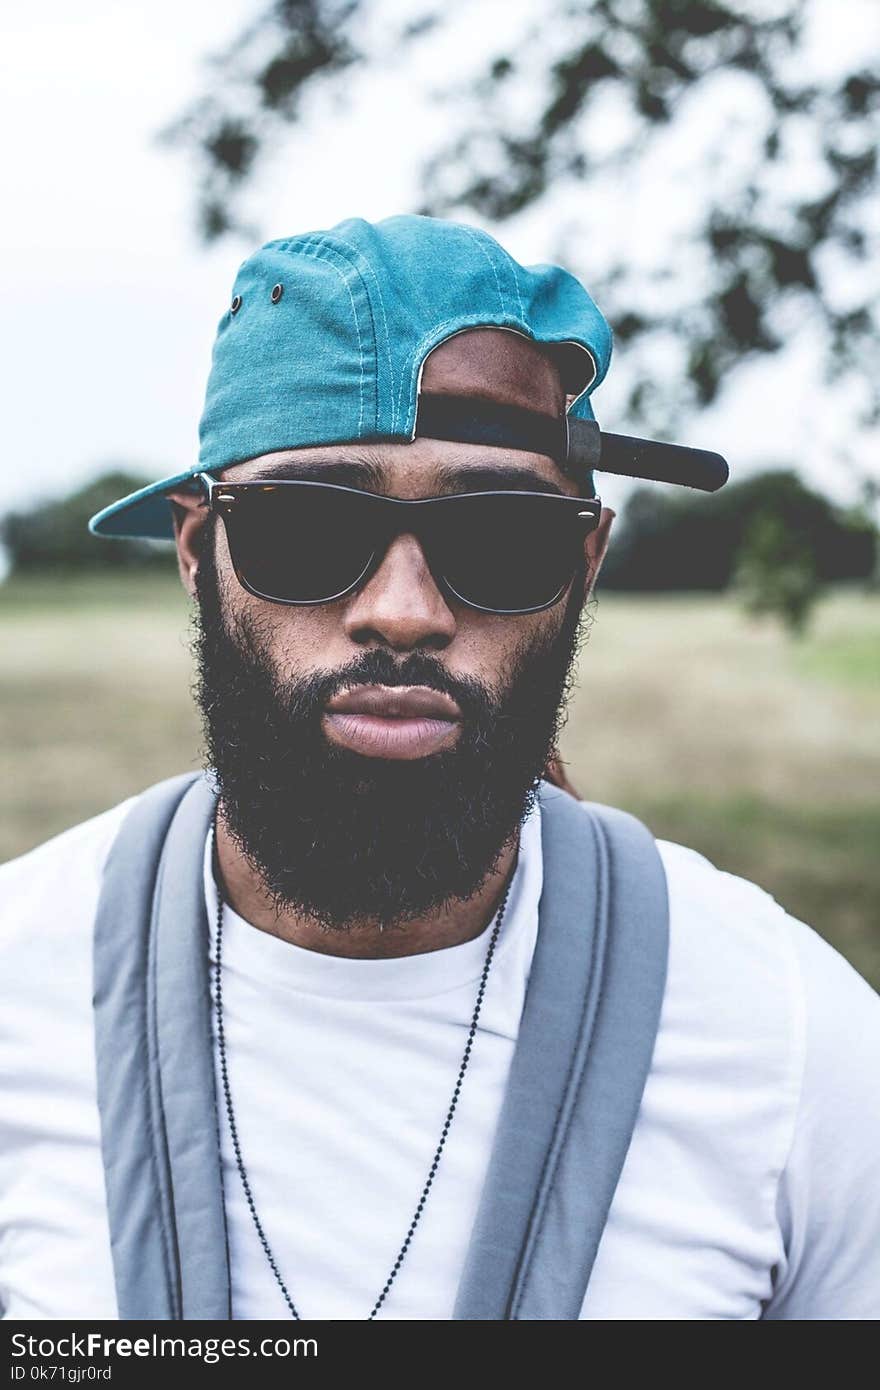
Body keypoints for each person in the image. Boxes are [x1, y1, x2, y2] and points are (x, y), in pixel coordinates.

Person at [1, 213, 878, 1322]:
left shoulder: (791, 1039)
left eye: (501, 537)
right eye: (306, 528)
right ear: (197, 549)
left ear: (583, 561)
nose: (403, 613)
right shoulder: (19, 981)